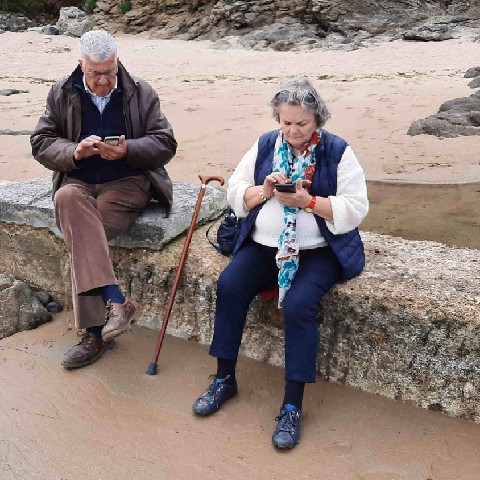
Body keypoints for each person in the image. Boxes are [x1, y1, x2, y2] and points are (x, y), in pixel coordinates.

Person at [192, 76, 368, 450]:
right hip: (264, 245)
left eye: (301, 124)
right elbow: (236, 191)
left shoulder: (338, 151)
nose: (292, 131)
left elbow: (355, 208)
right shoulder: (265, 145)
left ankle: (292, 405)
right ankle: (225, 378)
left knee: (301, 305)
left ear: (317, 119)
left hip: (318, 250)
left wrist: (308, 202)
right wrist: (264, 192)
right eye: (286, 122)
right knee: (230, 286)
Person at [30, 29, 177, 369]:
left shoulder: (141, 92)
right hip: (79, 182)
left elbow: (166, 143)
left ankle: (94, 334)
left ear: (117, 62)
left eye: (109, 71)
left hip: (127, 184)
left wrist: (129, 149)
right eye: (95, 73)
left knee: (81, 235)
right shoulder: (61, 92)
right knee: (67, 198)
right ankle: (115, 302)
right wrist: (74, 152)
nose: (103, 80)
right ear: (81, 65)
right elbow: (41, 142)